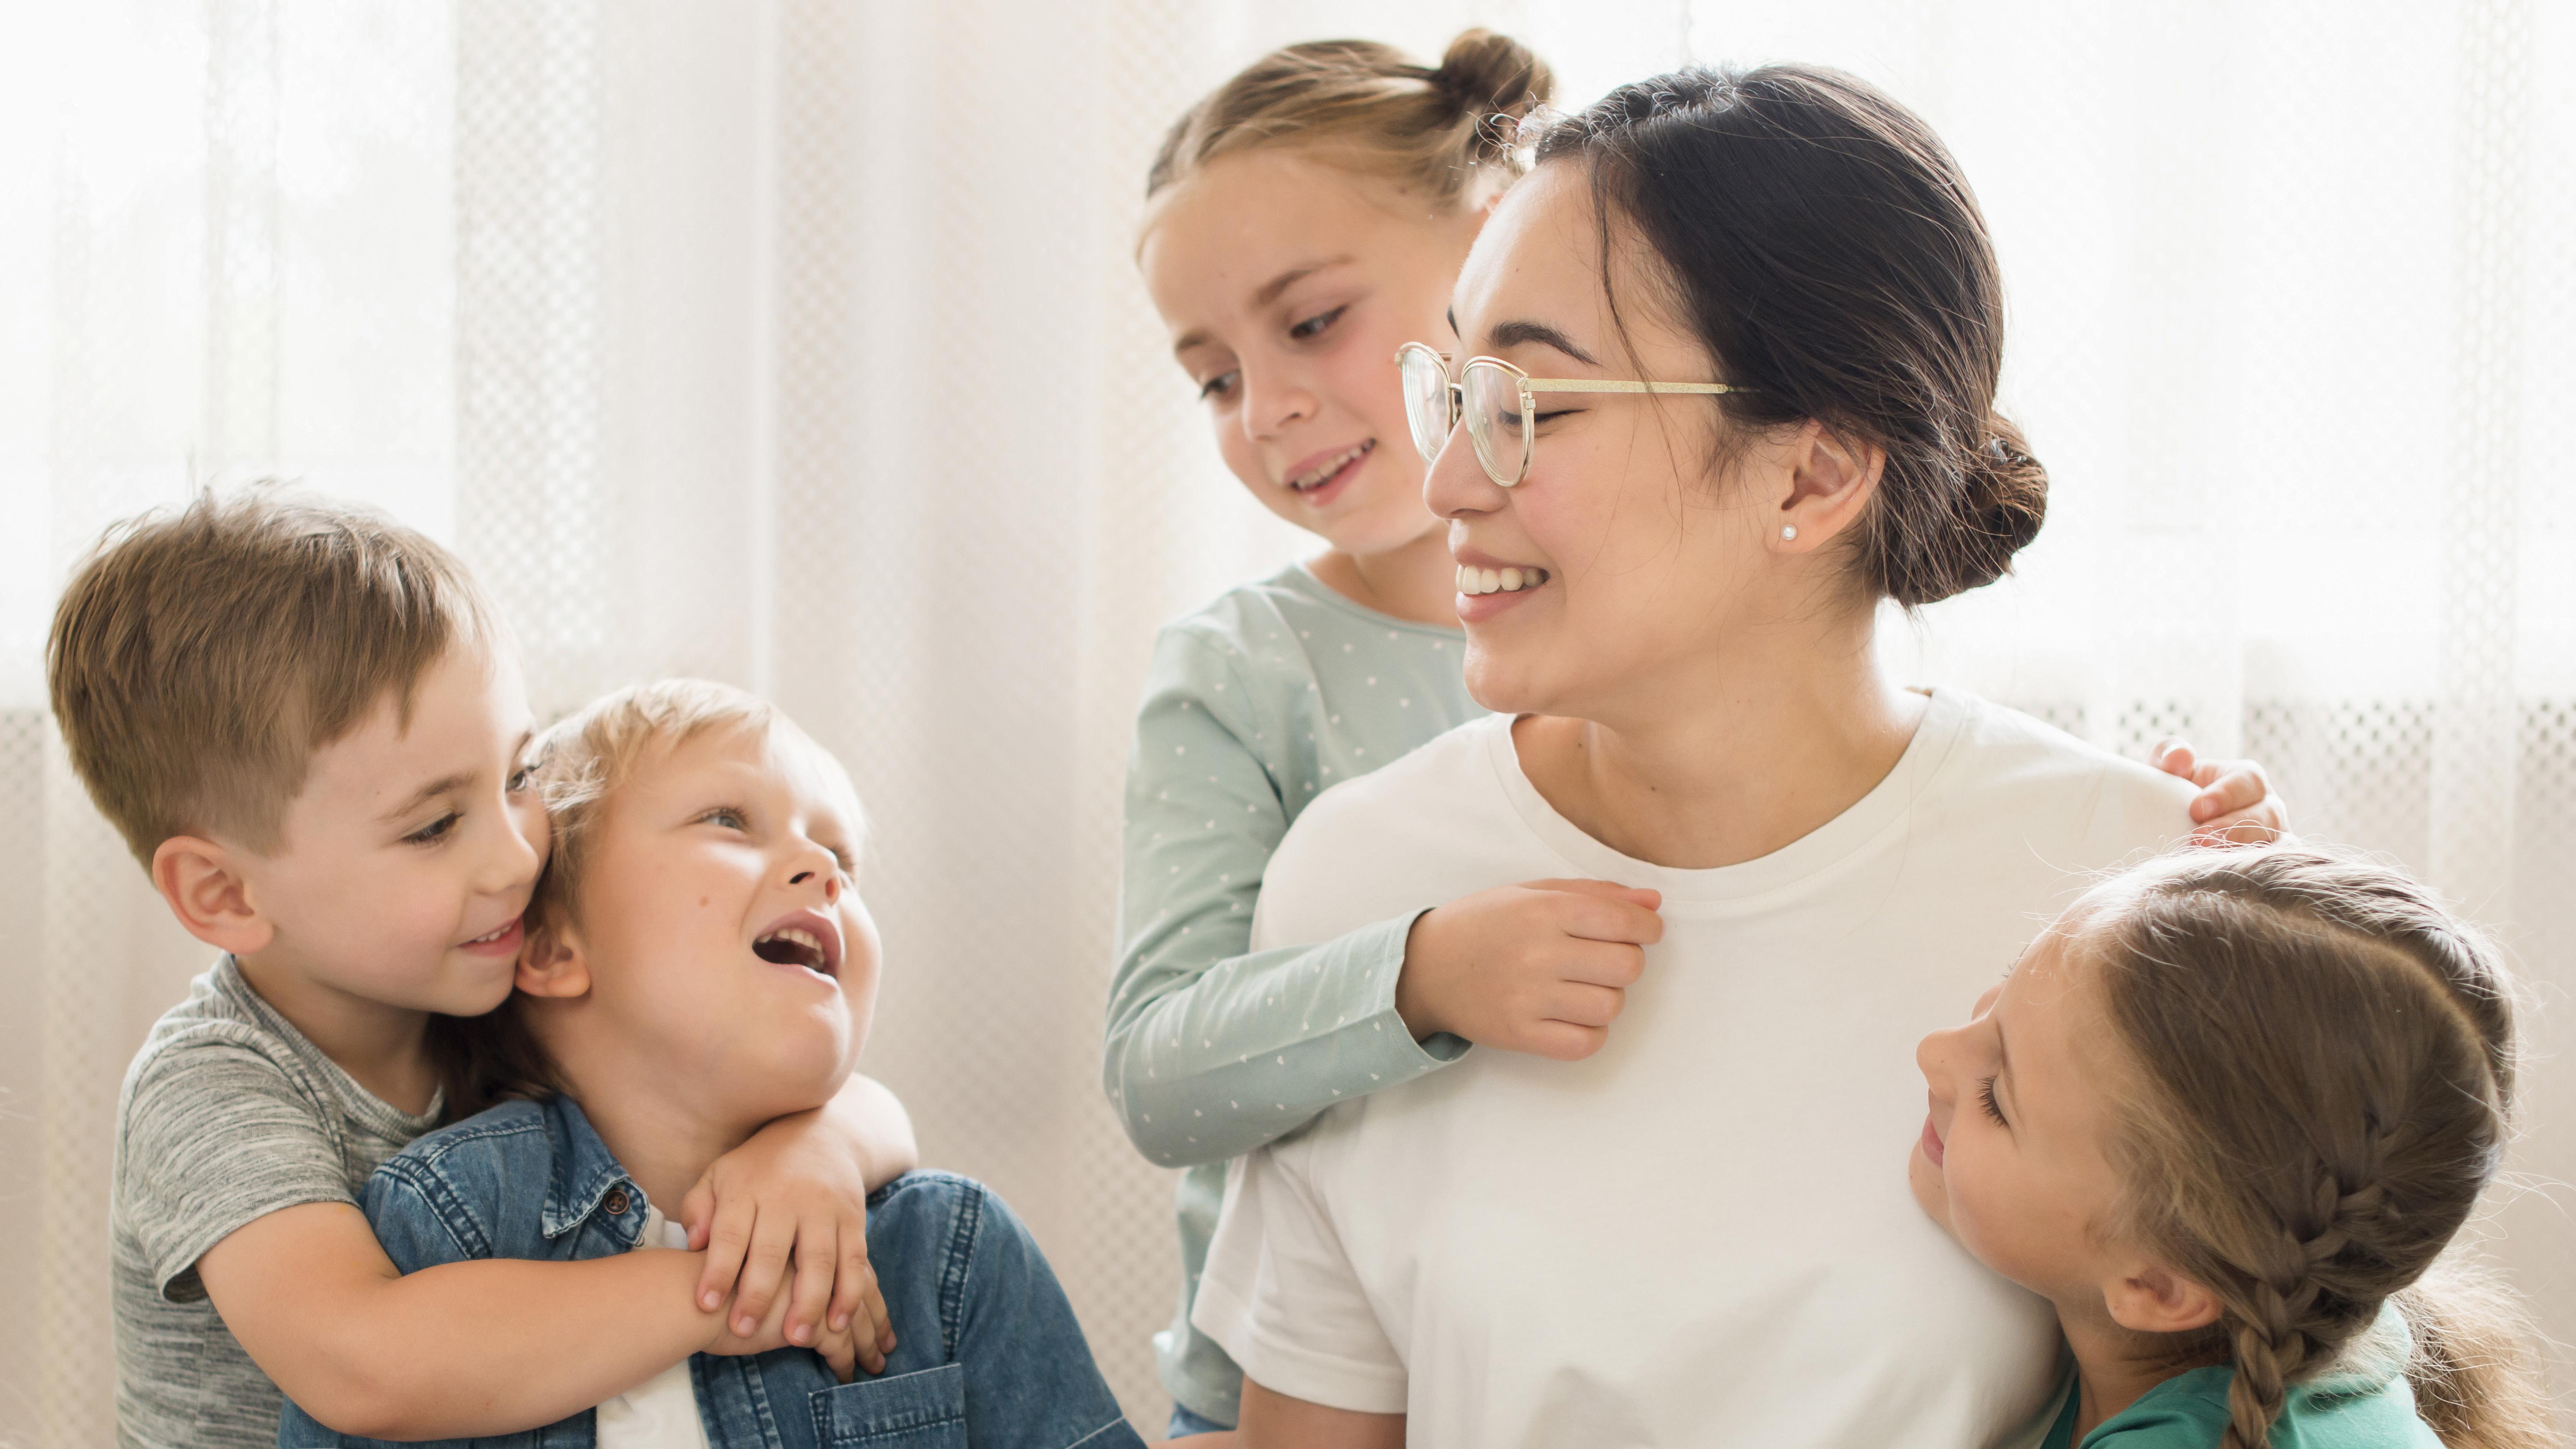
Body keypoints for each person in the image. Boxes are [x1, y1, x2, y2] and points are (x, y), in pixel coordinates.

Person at [1116, 37, 2286, 1437]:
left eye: (1530, 405)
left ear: (1811, 472)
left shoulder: (2124, 884)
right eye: (1456, 393)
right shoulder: (1363, 878)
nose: (1446, 481)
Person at [50, 491, 911, 1447]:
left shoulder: (473, 973)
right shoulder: (212, 1084)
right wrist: (726, 1294)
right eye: (433, 826)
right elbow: (362, 1362)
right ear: (225, 894)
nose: (515, 856)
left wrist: (816, 1151)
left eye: (519, 776)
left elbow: (807, 1090)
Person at [279, 679, 1148, 1449]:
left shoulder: (950, 1252)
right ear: (548, 946)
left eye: (844, 859)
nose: (823, 869)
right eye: (728, 820)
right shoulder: (447, 1223)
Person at [1911, 845, 2555, 1449]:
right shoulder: (2321, 1293)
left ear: (2158, 1287)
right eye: (2006, 988)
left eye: (1996, 1098)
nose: (1934, 1052)